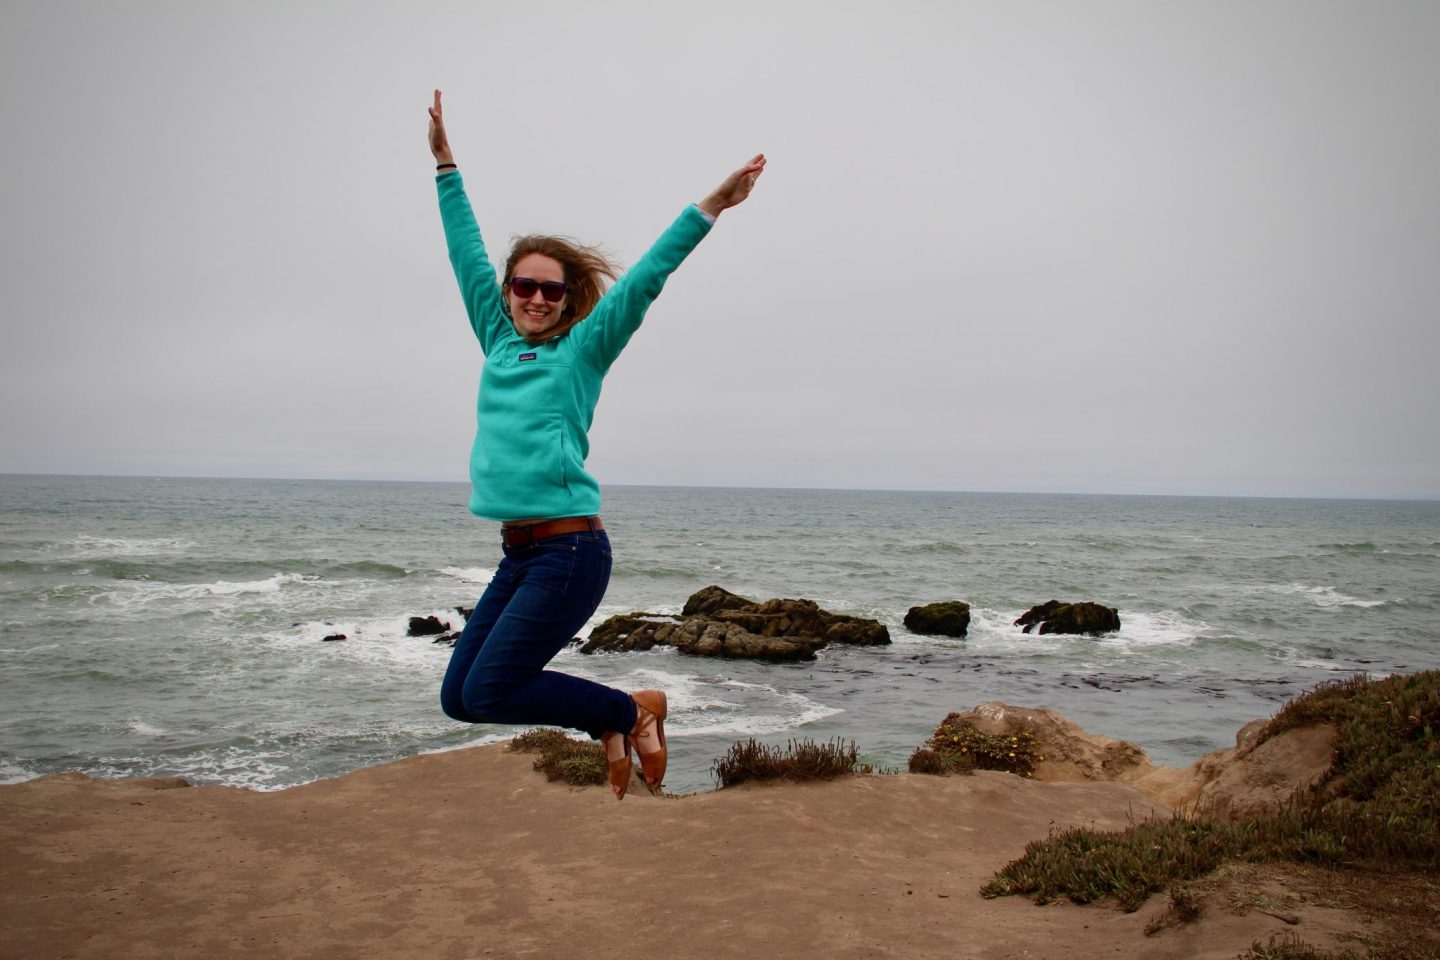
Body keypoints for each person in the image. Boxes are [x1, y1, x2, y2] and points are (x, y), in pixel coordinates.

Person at [428, 90, 764, 799]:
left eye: (553, 291)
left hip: (570, 551)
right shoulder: (495, 339)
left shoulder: (582, 353)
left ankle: (629, 713)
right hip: (517, 553)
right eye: (525, 286)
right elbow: (464, 253)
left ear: (569, 299)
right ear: (508, 291)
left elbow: (645, 281)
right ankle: (617, 718)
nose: (537, 299)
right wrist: (445, 166)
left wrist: (710, 207)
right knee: (460, 698)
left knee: (491, 688)